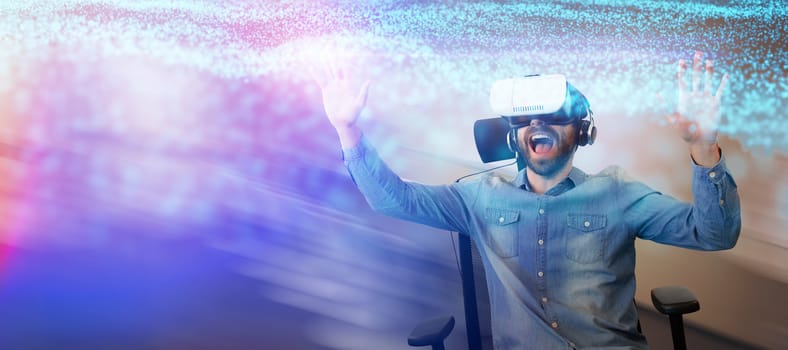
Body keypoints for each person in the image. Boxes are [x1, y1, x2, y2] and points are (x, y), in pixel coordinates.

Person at [309, 51, 741, 349]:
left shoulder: (616, 193)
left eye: (554, 116)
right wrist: (347, 130)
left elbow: (715, 233)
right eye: (527, 118)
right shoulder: (479, 196)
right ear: (511, 136)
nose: (540, 124)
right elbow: (395, 200)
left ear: (583, 132)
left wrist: (705, 145)